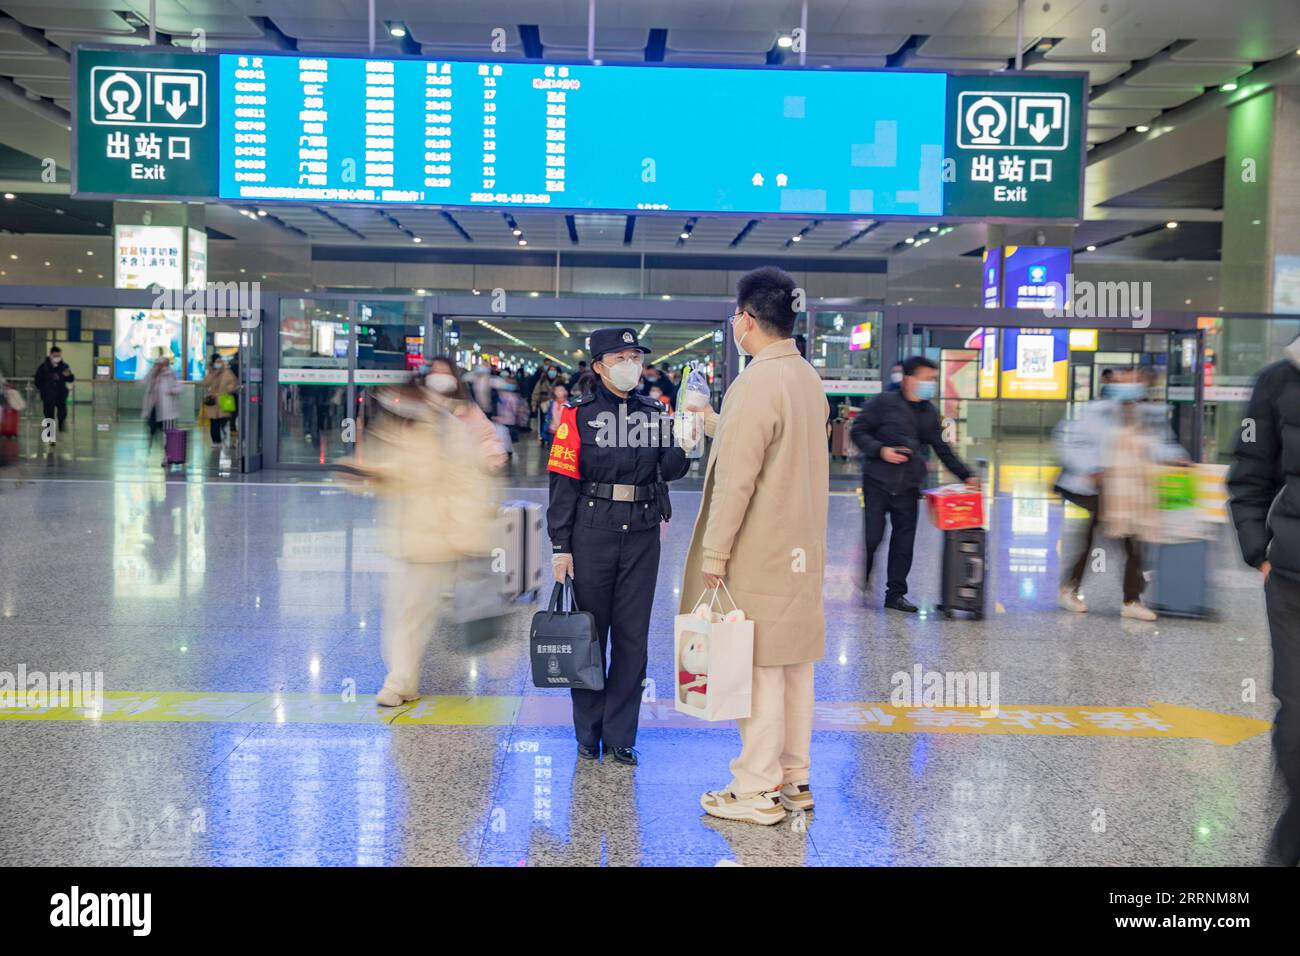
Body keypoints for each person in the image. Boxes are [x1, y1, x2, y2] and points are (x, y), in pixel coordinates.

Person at [679, 266, 830, 826]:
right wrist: (716, 420)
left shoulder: (755, 381)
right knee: (794, 667)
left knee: (758, 665)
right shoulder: (804, 377)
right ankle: (794, 780)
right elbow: (772, 447)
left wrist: (715, 555)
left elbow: (738, 479)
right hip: (801, 549)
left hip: (761, 550)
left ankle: (755, 789)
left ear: (745, 318)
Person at [547, 326, 693, 765]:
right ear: (599, 366)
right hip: (592, 531)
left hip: (643, 532)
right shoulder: (577, 416)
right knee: (590, 635)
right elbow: (562, 481)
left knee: (633, 638)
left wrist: (683, 438)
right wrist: (561, 546)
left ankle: (620, 735)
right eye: (622, 357)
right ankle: (588, 733)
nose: (632, 364)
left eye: (636, 356)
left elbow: (671, 469)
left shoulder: (653, 411)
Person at [350, 359, 506, 707]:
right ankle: (401, 681)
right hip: (410, 536)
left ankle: (400, 682)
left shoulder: (452, 429)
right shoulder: (403, 429)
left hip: (438, 538)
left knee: (412, 612)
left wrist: (469, 533)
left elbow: (471, 483)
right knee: (408, 612)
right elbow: (392, 469)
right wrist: (367, 474)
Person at [1228, 332, 1300, 866]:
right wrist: (1260, 549)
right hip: (1294, 580)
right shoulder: (1278, 381)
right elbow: (1249, 473)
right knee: (1296, 717)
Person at [1054, 367, 1186, 619]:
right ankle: (1090, 592)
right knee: (1110, 540)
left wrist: (1176, 458)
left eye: (1140, 380)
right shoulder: (1097, 412)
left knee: (1131, 541)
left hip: (1134, 488)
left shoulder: (1148, 415)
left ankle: (1128, 599)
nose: (1135, 384)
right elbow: (1069, 440)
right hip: (1104, 487)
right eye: (1130, 379)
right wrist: (1090, 468)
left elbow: (1160, 444)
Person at [849, 356, 978, 612]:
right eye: (926, 378)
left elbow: (942, 448)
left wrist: (966, 475)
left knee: (903, 544)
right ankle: (866, 572)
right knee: (874, 536)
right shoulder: (883, 403)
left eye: (933, 379)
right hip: (877, 482)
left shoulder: (929, 413)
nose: (930, 384)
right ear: (909, 379)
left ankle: (895, 594)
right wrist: (881, 450)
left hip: (908, 486)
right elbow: (858, 431)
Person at [140, 353, 183, 465]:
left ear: (166, 364)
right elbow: (143, 382)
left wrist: (171, 391)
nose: (159, 366)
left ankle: (168, 456)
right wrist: (153, 372)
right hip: (154, 409)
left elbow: (179, 388)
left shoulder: (171, 374)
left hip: (167, 412)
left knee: (167, 435)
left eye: (161, 364)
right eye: (157, 364)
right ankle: (156, 452)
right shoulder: (153, 375)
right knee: (154, 433)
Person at [34, 347, 75, 439]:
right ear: (51, 355)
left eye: (59, 355)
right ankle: (49, 431)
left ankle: (61, 426)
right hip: (48, 394)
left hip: (60, 394)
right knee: (48, 413)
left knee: (62, 412)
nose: (57, 357)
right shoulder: (43, 367)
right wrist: (43, 389)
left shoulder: (64, 366)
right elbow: (37, 380)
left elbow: (71, 379)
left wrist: (69, 376)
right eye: (55, 355)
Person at [200, 357, 238, 447]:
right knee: (213, 422)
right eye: (216, 362)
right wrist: (211, 373)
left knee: (224, 420)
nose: (218, 363)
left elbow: (233, 384)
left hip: (224, 400)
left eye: (219, 362)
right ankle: (215, 441)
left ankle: (224, 435)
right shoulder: (211, 372)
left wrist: (226, 391)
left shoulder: (227, 372)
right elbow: (205, 383)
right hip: (213, 402)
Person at [531, 364, 560, 443]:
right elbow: (536, 392)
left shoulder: (559, 381)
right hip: (543, 403)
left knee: (554, 420)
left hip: (556, 404)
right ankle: (542, 437)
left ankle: (552, 436)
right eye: (551, 370)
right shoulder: (542, 381)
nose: (552, 372)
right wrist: (534, 403)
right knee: (543, 420)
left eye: (554, 370)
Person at [543, 383, 568, 447]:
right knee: (553, 449)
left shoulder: (568, 404)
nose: (559, 392)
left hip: (564, 432)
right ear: (554, 392)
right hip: (552, 430)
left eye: (561, 390)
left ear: (566, 392)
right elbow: (546, 414)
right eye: (557, 390)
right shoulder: (552, 403)